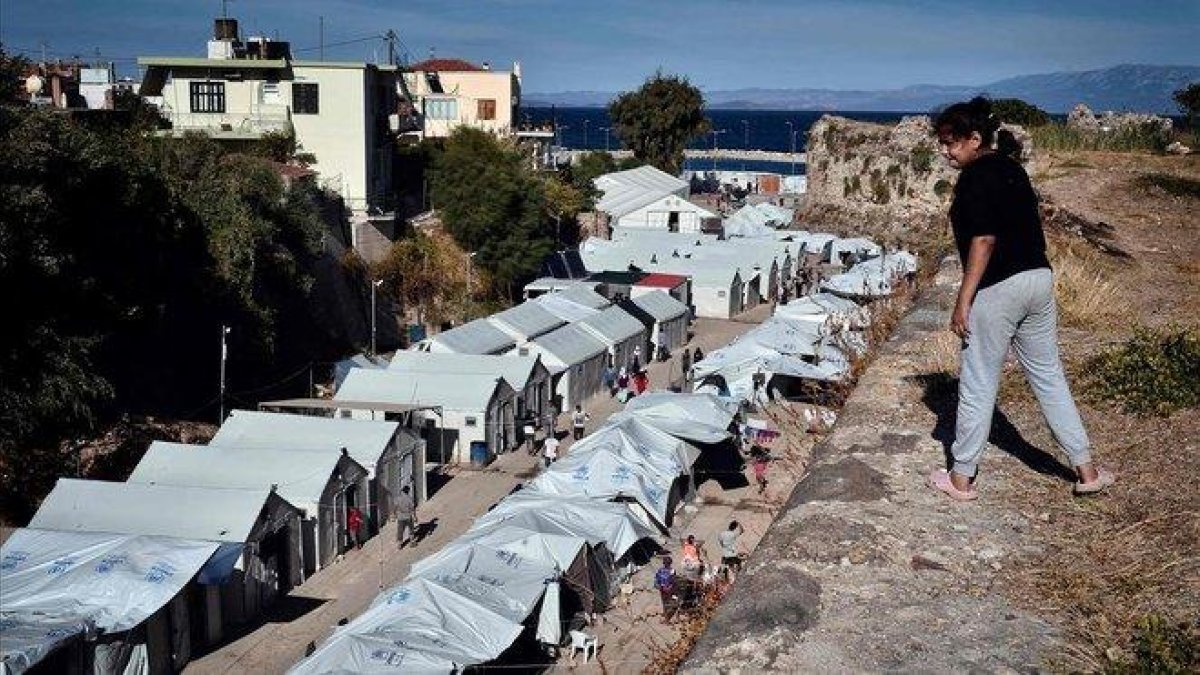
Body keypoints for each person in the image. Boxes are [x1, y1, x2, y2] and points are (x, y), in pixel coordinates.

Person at [926, 97, 1112, 501]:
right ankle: (1087, 470)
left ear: (975, 139)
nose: (945, 151)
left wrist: (963, 299)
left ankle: (960, 479)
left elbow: (984, 238)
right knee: (1048, 376)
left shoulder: (974, 179)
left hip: (999, 288)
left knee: (977, 383)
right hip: (1038, 279)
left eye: (951, 143)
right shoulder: (1014, 169)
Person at [654, 556, 680, 624]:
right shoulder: (671, 570)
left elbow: (657, 579)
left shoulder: (662, 570)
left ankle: (667, 618)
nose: (666, 564)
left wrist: (661, 586)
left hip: (666, 589)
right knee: (666, 602)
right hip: (665, 589)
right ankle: (667, 615)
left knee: (666, 603)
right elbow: (673, 580)